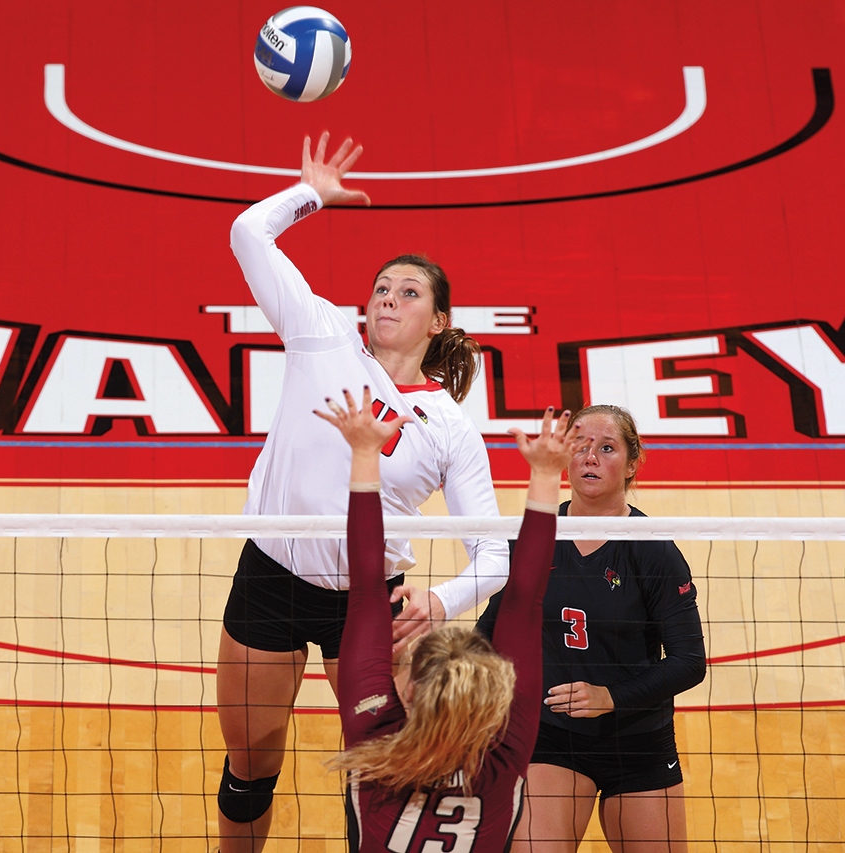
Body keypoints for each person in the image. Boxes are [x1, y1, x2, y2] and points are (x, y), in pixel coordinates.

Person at [216, 132, 509, 852]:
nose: (388, 297)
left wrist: (442, 601)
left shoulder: (446, 425)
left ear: (437, 321)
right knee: (252, 764)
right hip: (272, 580)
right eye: (381, 287)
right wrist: (312, 193)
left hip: (374, 603)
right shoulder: (320, 334)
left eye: (408, 292)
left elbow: (495, 554)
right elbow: (247, 232)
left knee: (383, 768)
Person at [321, 393, 585, 852]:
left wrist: (364, 453)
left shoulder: (374, 739)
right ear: (490, 695)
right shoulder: (504, 751)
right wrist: (546, 474)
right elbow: (524, 603)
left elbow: (363, 589)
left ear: (407, 690)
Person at [475, 405, 707, 853]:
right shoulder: (533, 537)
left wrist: (610, 697)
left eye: (606, 448)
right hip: (550, 736)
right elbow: (491, 633)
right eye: (579, 447)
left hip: (638, 740)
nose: (590, 458)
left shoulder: (653, 550)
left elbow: (688, 662)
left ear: (633, 463)